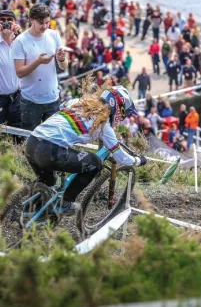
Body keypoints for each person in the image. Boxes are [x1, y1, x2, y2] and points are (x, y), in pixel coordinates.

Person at [25, 84, 147, 215]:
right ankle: (65, 204)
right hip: (51, 150)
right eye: (122, 114)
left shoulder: (77, 102)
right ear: (118, 108)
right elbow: (122, 158)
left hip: (32, 142)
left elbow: (62, 106)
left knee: (48, 181)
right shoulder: (103, 126)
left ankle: (26, 210)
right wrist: (138, 160)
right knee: (95, 163)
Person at [11, 3, 69, 130]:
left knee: (53, 140)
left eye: (47, 22)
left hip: (53, 98)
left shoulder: (54, 35)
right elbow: (19, 72)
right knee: (29, 140)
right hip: (30, 101)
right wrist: (38, 62)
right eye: (41, 22)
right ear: (32, 20)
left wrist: (61, 58)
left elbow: (64, 66)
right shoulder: (20, 41)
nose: (45, 26)